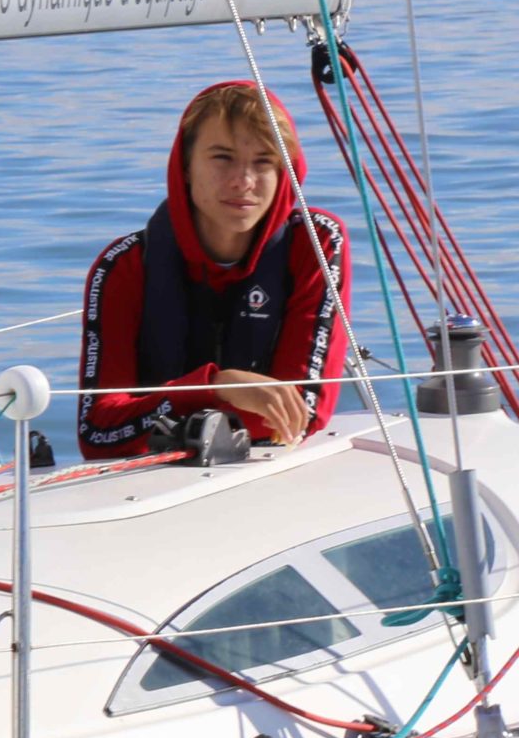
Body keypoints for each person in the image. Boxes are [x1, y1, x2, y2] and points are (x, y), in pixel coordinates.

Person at [77, 81, 351, 459]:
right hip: (151, 481)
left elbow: (297, 415)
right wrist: (217, 387)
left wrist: (171, 410)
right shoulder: (123, 266)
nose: (243, 181)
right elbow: (98, 433)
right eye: (222, 157)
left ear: (285, 173)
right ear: (186, 166)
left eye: (263, 162)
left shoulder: (317, 244)